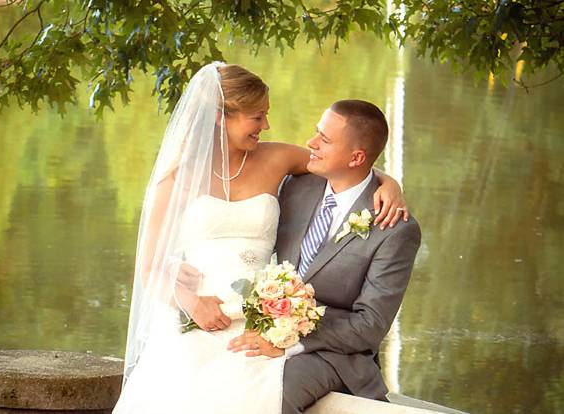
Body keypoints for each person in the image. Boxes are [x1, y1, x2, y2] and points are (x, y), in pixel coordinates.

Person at [113, 63, 409, 413]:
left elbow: (347, 165)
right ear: (222, 116)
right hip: (200, 310)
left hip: (262, 313)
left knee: (247, 394)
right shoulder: (175, 179)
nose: (266, 125)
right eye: (257, 117)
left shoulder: (277, 158)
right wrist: (191, 303)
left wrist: (389, 184)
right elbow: (148, 269)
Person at [228, 100, 421, 413]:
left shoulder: (394, 229)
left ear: (356, 157)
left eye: (325, 140)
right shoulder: (295, 186)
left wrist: (288, 340)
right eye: (317, 133)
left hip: (335, 355)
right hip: (266, 329)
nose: (311, 143)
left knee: (267, 395)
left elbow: (370, 325)